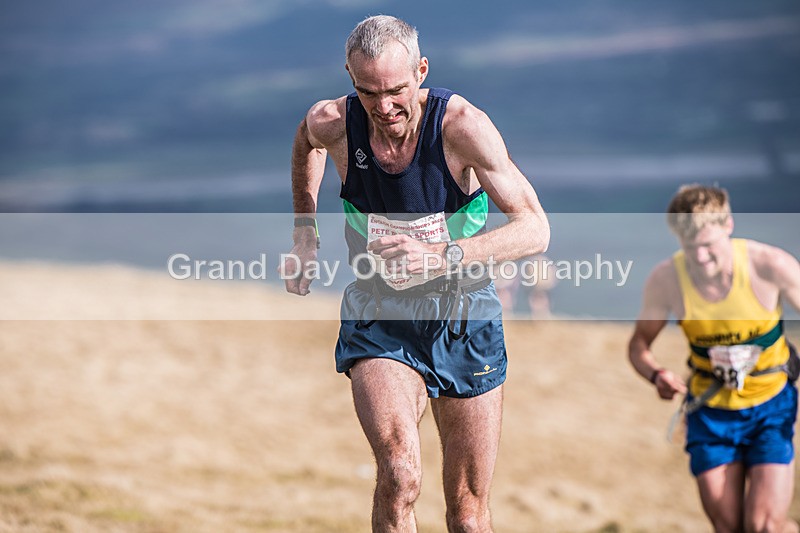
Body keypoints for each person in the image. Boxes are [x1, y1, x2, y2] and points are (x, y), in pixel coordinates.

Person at [282, 15, 549, 532]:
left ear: (421, 71)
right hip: (379, 314)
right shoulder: (334, 120)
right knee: (400, 475)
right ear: (350, 78)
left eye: (396, 90)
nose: (383, 108)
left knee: (468, 512)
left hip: (463, 316)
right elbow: (305, 143)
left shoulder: (462, 128)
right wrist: (304, 232)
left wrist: (444, 254)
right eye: (368, 92)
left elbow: (535, 229)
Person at [628, 184, 800, 533]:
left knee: (765, 525)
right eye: (691, 248)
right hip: (710, 414)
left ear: (729, 225)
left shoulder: (770, 265)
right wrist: (656, 374)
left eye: (708, 245)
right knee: (728, 526)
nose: (701, 257)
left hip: (770, 406)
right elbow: (638, 346)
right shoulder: (666, 280)